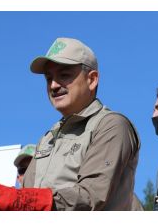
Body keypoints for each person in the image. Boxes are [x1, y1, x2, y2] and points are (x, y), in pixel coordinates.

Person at [22, 37, 141, 210]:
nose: (53, 85)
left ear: (92, 79)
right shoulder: (47, 138)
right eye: (48, 78)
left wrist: (33, 201)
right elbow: (24, 196)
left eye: (64, 75)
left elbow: (91, 196)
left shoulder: (111, 125)